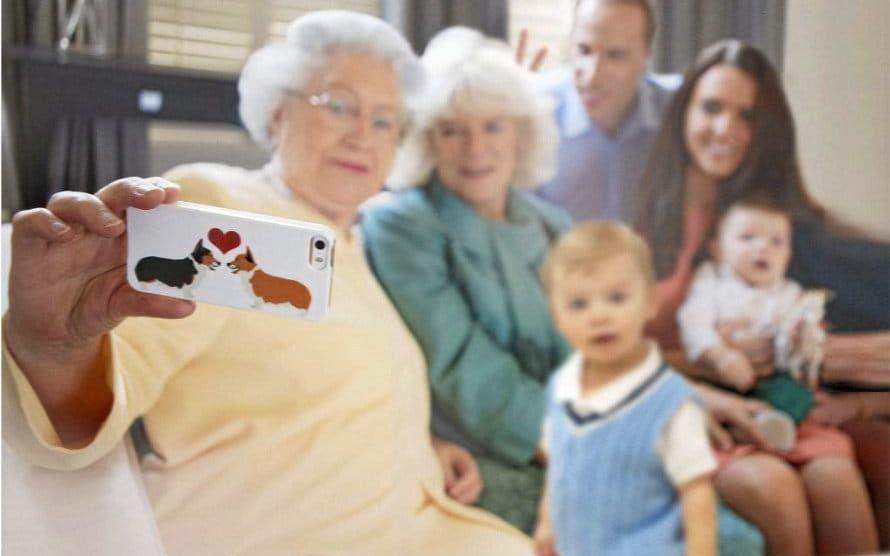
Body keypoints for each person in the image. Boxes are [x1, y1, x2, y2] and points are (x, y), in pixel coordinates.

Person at [1, 11, 535, 555]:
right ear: (278, 112)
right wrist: (56, 349)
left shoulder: (355, 244)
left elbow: (332, 399)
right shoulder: (220, 205)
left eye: (384, 121)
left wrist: (420, 448)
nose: (362, 135)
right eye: (340, 105)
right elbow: (100, 396)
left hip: (423, 525)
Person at [637, 38, 887, 555]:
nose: (725, 129)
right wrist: (705, 367)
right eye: (711, 108)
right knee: (778, 495)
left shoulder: (764, 225)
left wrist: (812, 358)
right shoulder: (640, 213)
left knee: (837, 486)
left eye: (745, 116)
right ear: (685, 111)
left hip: (765, 406)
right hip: (680, 404)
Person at [361, 27, 570, 534]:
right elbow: (462, 369)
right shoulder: (400, 223)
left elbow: (590, 352)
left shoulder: (551, 224)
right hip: (472, 459)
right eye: (452, 129)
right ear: (427, 139)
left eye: (493, 126)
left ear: (520, 133)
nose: (475, 148)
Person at [676, 198, 878, 546]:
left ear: (788, 255)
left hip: (789, 408)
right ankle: (757, 433)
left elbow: (797, 341)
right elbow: (692, 322)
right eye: (748, 237)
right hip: (730, 404)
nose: (762, 248)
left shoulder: (790, 294)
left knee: (838, 477)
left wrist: (796, 340)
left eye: (776, 241)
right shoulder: (711, 282)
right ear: (717, 249)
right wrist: (721, 355)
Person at [535, 222, 716, 556]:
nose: (599, 316)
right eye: (579, 304)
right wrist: (547, 523)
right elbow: (558, 466)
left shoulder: (670, 405)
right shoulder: (562, 388)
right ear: (556, 318)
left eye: (617, 298)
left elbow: (697, 495)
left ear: (650, 301)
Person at [535, 0, 679, 222]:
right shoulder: (535, 110)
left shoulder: (682, 111)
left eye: (615, 56)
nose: (592, 77)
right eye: (584, 50)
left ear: (645, 59)